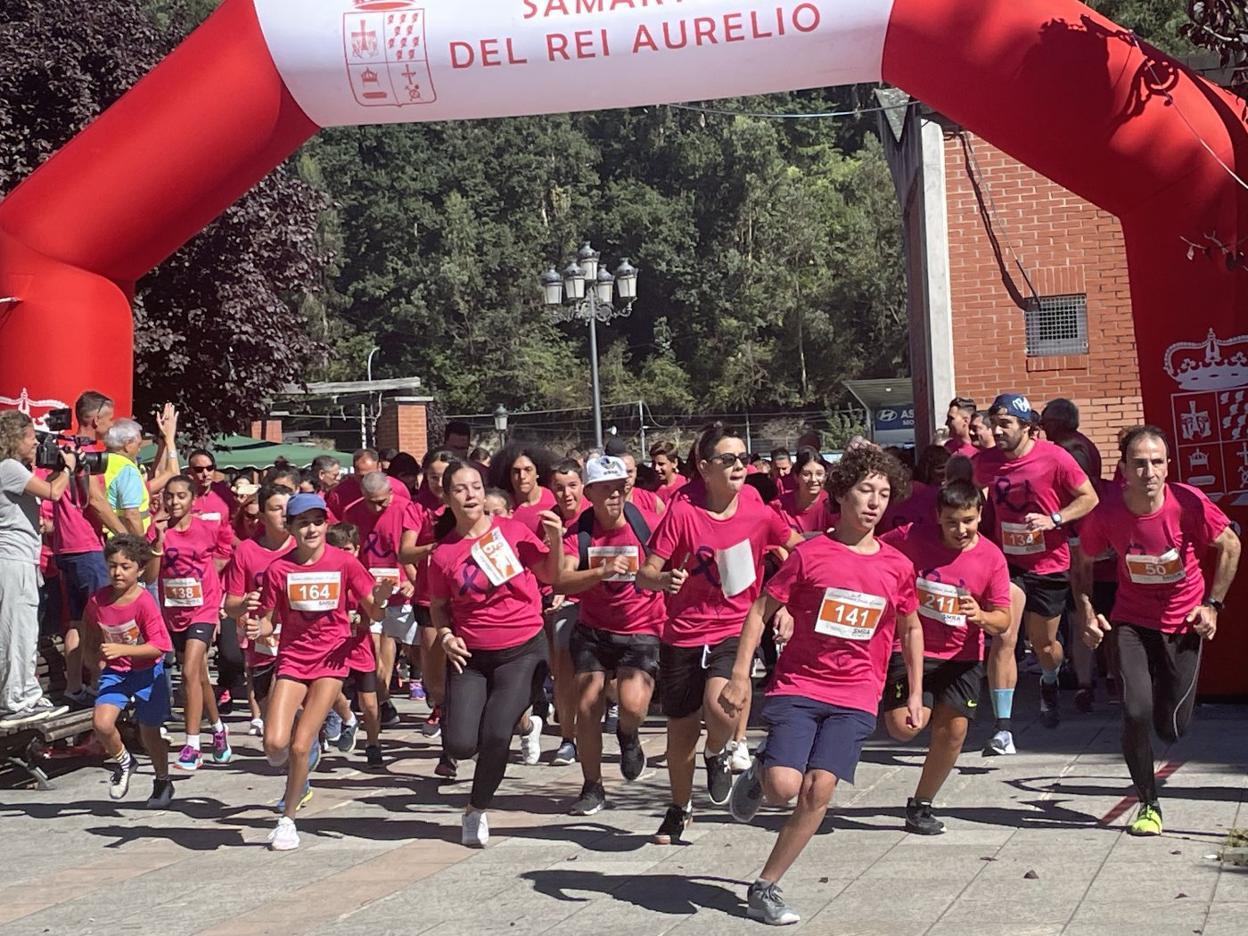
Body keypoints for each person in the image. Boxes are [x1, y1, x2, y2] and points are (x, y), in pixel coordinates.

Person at [719, 446, 921, 926]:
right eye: (865, 490)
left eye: (884, 494)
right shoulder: (810, 555)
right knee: (783, 787)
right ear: (842, 494)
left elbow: (911, 628)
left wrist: (913, 691)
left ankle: (765, 886)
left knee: (818, 789)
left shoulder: (897, 566)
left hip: (857, 694)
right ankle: (760, 772)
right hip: (800, 684)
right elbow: (759, 611)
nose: (874, 502)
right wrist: (741, 674)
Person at [640, 423, 803, 845]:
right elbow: (645, 573)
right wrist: (663, 582)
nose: (738, 466)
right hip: (683, 633)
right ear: (704, 466)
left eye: (743, 459)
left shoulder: (757, 508)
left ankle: (717, 751)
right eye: (727, 459)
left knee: (723, 707)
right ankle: (679, 809)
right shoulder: (683, 510)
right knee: (679, 732)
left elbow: (798, 550)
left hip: (736, 626)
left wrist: (786, 604)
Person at [1075, 426, 1240, 836]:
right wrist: (1087, 611)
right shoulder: (1109, 512)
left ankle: (1167, 724)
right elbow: (1081, 562)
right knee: (1135, 712)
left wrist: (1213, 606)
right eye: (1139, 463)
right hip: (1131, 622)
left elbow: (1231, 546)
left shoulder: (1187, 503)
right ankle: (1149, 803)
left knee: (1173, 727)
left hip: (1183, 623)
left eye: (1157, 462)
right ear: (1124, 470)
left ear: (1167, 467)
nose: (1149, 471)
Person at [245, 492, 393, 850]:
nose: (311, 529)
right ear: (290, 527)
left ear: (327, 523)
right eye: (302, 522)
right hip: (293, 659)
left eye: (317, 521)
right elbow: (267, 621)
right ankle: (297, 772)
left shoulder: (344, 563)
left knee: (299, 745)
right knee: (274, 744)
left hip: (331, 662)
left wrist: (382, 596)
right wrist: (255, 629)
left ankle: (288, 820)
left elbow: (376, 614)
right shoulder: (280, 569)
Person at [427, 460, 563, 846]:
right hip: (471, 655)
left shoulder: (513, 532)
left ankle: (476, 809)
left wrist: (555, 540)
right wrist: (446, 635)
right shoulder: (443, 554)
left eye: (475, 487)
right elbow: (438, 604)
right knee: (459, 744)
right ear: (447, 497)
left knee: (496, 734)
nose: (470, 495)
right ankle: (513, 725)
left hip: (522, 648)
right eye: (460, 489)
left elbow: (550, 575)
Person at [879, 480, 1011, 834]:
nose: (961, 529)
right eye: (952, 521)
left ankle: (921, 804)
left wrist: (981, 616)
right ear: (938, 517)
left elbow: (1004, 619)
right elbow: (874, 548)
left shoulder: (992, 557)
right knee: (905, 728)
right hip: (909, 647)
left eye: (968, 520)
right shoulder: (910, 537)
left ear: (980, 515)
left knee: (953, 731)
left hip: (962, 655)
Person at [554, 455, 681, 815]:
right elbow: (561, 580)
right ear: (589, 492)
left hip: (642, 628)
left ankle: (628, 734)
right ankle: (592, 785)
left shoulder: (647, 526)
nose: (614, 495)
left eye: (620, 488)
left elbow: (670, 565)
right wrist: (601, 572)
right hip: (593, 631)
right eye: (606, 489)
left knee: (633, 705)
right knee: (587, 706)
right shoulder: (579, 532)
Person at [973, 393, 1098, 735]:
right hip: (1007, 563)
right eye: (993, 424)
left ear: (1026, 428)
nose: (997, 431)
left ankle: (1050, 676)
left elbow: (1090, 498)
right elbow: (972, 502)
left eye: (1005, 425)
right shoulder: (984, 462)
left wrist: (1054, 519)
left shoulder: (1055, 458)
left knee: (1044, 645)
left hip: (1049, 563)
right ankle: (1003, 726)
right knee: (1005, 636)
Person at [146, 475, 232, 771]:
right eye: (169, 496)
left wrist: (218, 593)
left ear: (192, 500)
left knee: (187, 672)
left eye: (181, 496)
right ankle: (219, 728)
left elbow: (224, 554)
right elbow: (149, 576)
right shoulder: (158, 530)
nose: (174, 502)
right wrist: (157, 540)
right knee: (199, 678)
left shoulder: (207, 529)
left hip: (204, 608)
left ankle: (192, 745)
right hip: (175, 611)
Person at [83, 534, 173, 806]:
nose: (117, 572)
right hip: (116, 673)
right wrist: (93, 659)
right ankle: (124, 762)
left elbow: (160, 646)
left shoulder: (144, 602)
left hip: (148, 674)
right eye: (112, 565)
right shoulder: (98, 601)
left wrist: (124, 650)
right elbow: (91, 636)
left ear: (140, 569)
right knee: (101, 722)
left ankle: (162, 781)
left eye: (125, 566)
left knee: (150, 734)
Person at [54, 391, 128, 707]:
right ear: (96, 418)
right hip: (86, 546)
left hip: (63, 547)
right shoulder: (84, 452)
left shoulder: (59, 450)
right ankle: (100, 686)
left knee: (75, 622)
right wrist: (125, 534)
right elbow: (95, 501)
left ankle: (74, 687)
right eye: (109, 418)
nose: (110, 425)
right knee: (101, 620)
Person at [0, 410, 74, 727]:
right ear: (15, 438)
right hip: (12, 561)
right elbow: (55, 492)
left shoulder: (15, 470)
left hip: (22, 560)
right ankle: (15, 701)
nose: (37, 444)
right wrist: (67, 467)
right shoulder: (9, 468)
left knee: (27, 632)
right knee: (15, 632)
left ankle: (27, 694)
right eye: (32, 437)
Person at [344, 472, 424, 758]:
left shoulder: (406, 508)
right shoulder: (352, 512)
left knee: (418, 653)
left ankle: (432, 690)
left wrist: (414, 582)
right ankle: (383, 703)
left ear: (391, 492)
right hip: (371, 593)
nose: (376, 509)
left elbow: (412, 552)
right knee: (376, 652)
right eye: (371, 503)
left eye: (381, 502)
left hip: (403, 591)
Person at [222, 484, 294, 740]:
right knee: (270, 712)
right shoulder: (246, 551)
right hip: (262, 642)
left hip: (299, 639)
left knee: (289, 699)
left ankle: (304, 744)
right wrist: (244, 604)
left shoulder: (303, 547)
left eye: (288, 509)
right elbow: (230, 605)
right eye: (276, 509)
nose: (284, 515)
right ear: (262, 516)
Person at [399, 449, 455, 773]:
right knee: (436, 682)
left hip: (467, 601)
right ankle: (446, 720)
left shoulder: (467, 504)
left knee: (466, 674)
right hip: (428, 600)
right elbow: (404, 552)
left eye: (443, 476)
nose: (438, 482)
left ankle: (451, 749)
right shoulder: (416, 507)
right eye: (432, 475)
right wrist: (435, 548)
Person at [324, 522, 385, 766]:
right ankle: (346, 718)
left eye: (347, 549)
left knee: (369, 703)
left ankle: (373, 743)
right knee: (330, 693)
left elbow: (373, 613)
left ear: (357, 549)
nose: (342, 554)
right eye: (336, 548)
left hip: (359, 646)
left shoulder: (362, 575)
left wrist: (359, 618)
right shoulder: (325, 575)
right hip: (332, 648)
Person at [325, 449, 410, 518]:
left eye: (370, 475)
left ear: (379, 467)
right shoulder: (340, 493)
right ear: (354, 470)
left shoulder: (397, 487)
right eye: (361, 476)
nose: (366, 480)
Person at [769, 447, 835, 535]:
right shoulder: (778, 506)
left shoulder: (834, 505)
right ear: (796, 476)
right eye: (806, 474)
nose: (813, 479)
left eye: (819, 474)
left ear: (825, 477)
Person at [102, 418, 150, 538]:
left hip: (104, 536)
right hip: (123, 542)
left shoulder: (101, 462)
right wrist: (140, 545)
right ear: (127, 444)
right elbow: (132, 514)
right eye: (138, 445)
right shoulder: (127, 469)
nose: (139, 450)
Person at [1041, 398, 1103, 481]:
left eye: (1045, 422)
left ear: (1058, 422)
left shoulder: (1072, 448)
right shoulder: (1078, 441)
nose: (1043, 428)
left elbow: (1080, 481)